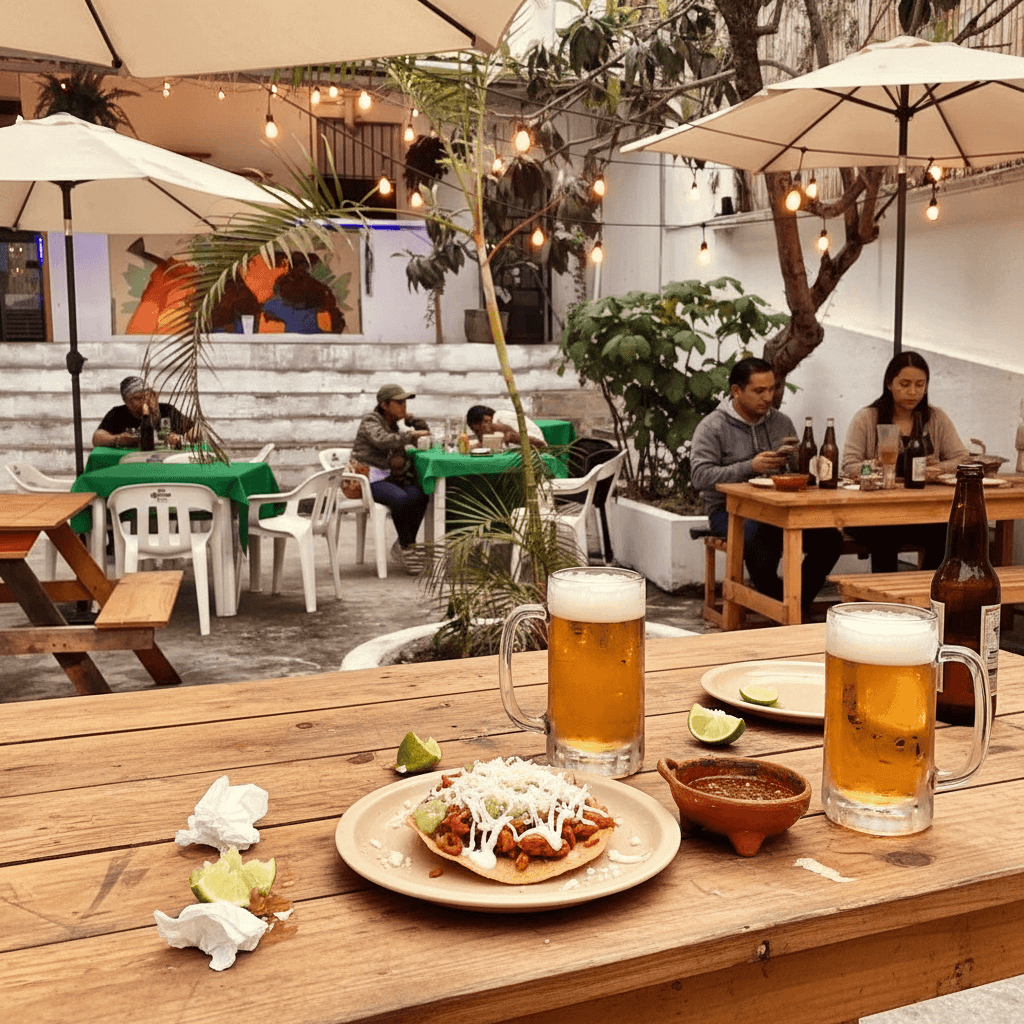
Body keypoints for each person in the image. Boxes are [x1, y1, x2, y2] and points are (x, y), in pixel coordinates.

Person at [690, 356, 843, 615]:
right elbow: (700, 476)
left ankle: (794, 605)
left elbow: (799, 469)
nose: (767, 397)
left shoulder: (780, 422)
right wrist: (751, 466)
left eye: (772, 389)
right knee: (759, 538)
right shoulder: (713, 426)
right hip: (728, 512)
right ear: (736, 391)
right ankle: (780, 607)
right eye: (759, 391)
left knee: (830, 540)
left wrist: (797, 459)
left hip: (781, 510)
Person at [841, 351, 969, 573]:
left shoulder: (935, 418)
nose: (913, 392)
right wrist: (876, 466)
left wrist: (936, 469)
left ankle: (925, 594)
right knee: (884, 534)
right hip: (871, 512)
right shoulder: (867, 418)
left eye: (920, 385)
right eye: (905, 384)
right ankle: (886, 602)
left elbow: (962, 458)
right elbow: (848, 465)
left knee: (948, 532)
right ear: (889, 383)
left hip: (919, 511)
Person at [352, 383, 431, 574]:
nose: (404, 407)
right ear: (385, 405)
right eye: (399, 403)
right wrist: (410, 434)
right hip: (367, 478)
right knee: (401, 498)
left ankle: (404, 544)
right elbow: (381, 440)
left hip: (389, 478)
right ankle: (408, 547)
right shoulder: (371, 421)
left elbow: (425, 433)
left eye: (405, 403)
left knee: (420, 493)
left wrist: (413, 421)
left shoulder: (395, 425)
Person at [92, 376, 197, 449]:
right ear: (126, 401)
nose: (144, 402)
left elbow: (196, 430)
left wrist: (183, 438)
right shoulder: (118, 413)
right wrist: (118, 440)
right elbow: (97, 438)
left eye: (147, 396)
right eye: (138, 398)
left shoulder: (166, 410)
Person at [466, 405, 547, 449]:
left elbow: (540, 444)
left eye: (478, 430)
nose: (479, 435)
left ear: (486, 420)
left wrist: (512, 436)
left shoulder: (500, 418)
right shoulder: (496, 423)